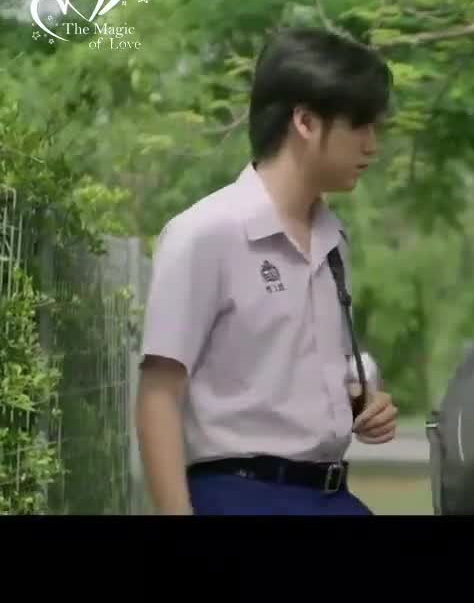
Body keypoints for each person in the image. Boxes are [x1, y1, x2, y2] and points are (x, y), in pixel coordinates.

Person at [135, 27, 399, 515]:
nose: (372, 145)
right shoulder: (205, 233)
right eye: (360, 124)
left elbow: (298, 370)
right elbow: (158, 395)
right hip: (241, 494)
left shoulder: (333, 239)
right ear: (305, 121)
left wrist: (363, 403)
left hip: (330, 494)